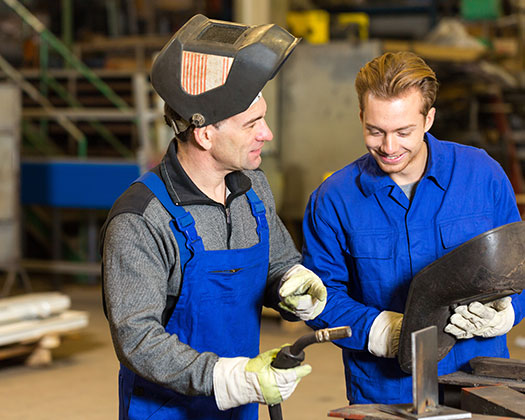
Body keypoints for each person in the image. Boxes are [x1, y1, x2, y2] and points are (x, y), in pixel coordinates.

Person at [100, 14, 327, 420]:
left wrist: (293, 283)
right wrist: (230, 377)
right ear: (205, 134)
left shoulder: (252, 189)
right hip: (167, 410)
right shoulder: (141, 220)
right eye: (253, 123)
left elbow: (278, 262)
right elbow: (137, 338)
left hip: (240, 403)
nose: (267, 134)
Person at [302, 51, 524, 405]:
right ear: (361, 117)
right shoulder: (334, 199)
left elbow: (518, 265)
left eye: (404, 132)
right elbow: (315, 295)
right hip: (386, 391)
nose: (389, 148)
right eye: (375, 131)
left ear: (429, 118)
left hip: (479, 384)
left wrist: (510, 310)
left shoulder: (481, 176)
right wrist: (375, 330)